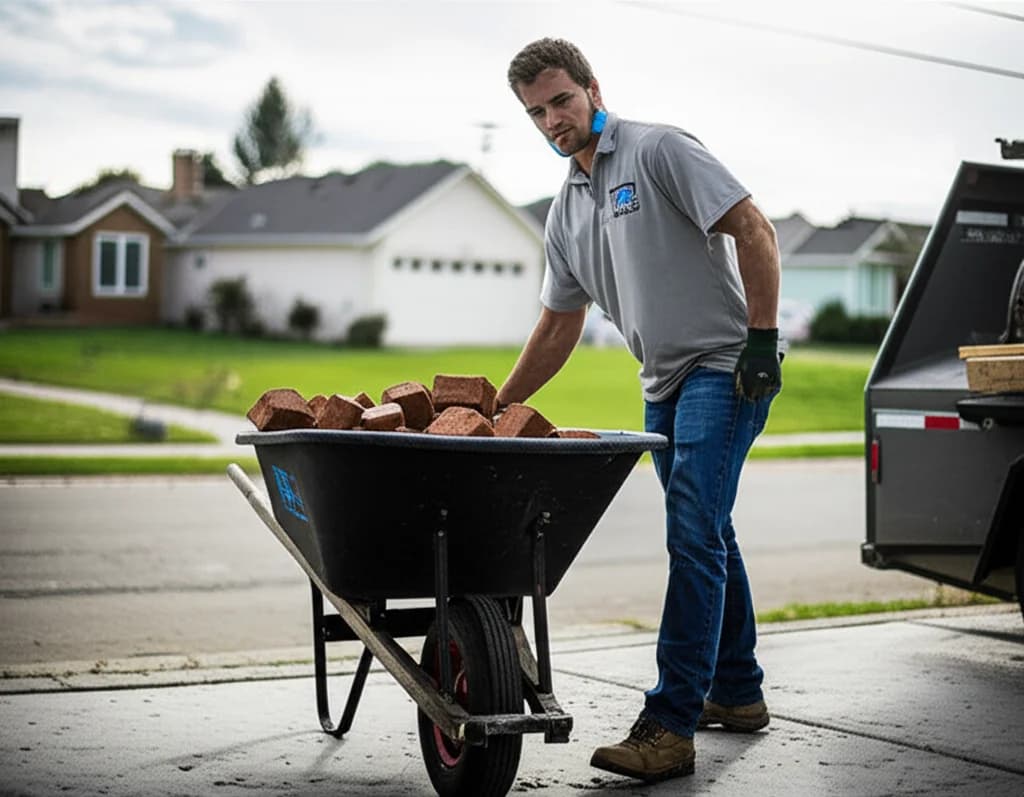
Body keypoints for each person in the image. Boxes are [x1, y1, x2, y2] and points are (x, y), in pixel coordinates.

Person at [499, 38, 782, 783]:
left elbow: (755, 229)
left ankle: (669, 723)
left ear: (593, 88)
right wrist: (498, 405)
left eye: (561, 100)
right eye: (536, 112)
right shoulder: (566, 212)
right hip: (662, 381)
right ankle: (739, 691)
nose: (553, 119)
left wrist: (762, 341)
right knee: (709, 528)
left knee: (691, 529)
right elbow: (559, 326)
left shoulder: (659, 152)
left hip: (727, 365)